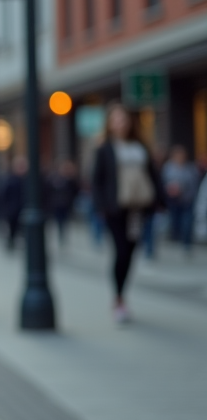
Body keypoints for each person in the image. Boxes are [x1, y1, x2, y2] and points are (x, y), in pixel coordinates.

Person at [91, 103, 162, 323]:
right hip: (115, 208)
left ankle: (122, 295)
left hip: (138, 207)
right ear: (110, 124)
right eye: (116, 119)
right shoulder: (104, 148)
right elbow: (97, 180)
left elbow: (152, 175)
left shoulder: (141, 146)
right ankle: (119, 298)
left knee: (131, 252)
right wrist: (101, 207)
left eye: (123, 119)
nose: (120, 123)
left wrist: (160, 201)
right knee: (121, 251)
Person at [161, 145, 200, 256]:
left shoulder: (190, 168)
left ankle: (186, 243)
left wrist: (185, 191)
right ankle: (176, 237)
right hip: (173, 201)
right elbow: (163, 183)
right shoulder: (168, 168)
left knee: (187, 223)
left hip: (187, 200)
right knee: (175, 221)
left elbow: (194, 185)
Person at [48, 159, 81, 245]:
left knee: (65, 221)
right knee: (59, 221)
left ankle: (62, 235)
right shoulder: (54, 178)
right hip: (57, 204)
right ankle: (60, 234)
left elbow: (75, 190)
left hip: (66, 204)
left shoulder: (70, 180)